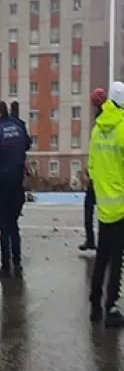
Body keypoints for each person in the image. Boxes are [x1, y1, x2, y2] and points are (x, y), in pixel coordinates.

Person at [88, 81, 124, 325]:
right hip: (121, 206)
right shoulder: (122, 127)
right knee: (116, 258)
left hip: (103, 204)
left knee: (102, 255)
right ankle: (110, 306)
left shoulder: (97, 128)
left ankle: (95, 303)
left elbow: (91, 167)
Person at [0, 101, 30, 278]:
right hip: (17, 186)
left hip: (3, 187)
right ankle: (17, 263)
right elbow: (27, 145)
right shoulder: (18, 128)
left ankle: (6, 266)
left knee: (4, 228)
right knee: (14, 226)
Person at [81, 87, 107, 251]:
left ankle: (93, 240)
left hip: (100, 174)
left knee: (94, 208)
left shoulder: (102, 119)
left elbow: (97, 148)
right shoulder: (103, 116)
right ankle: (95, 240)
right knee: (96, 208)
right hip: (98, 172)